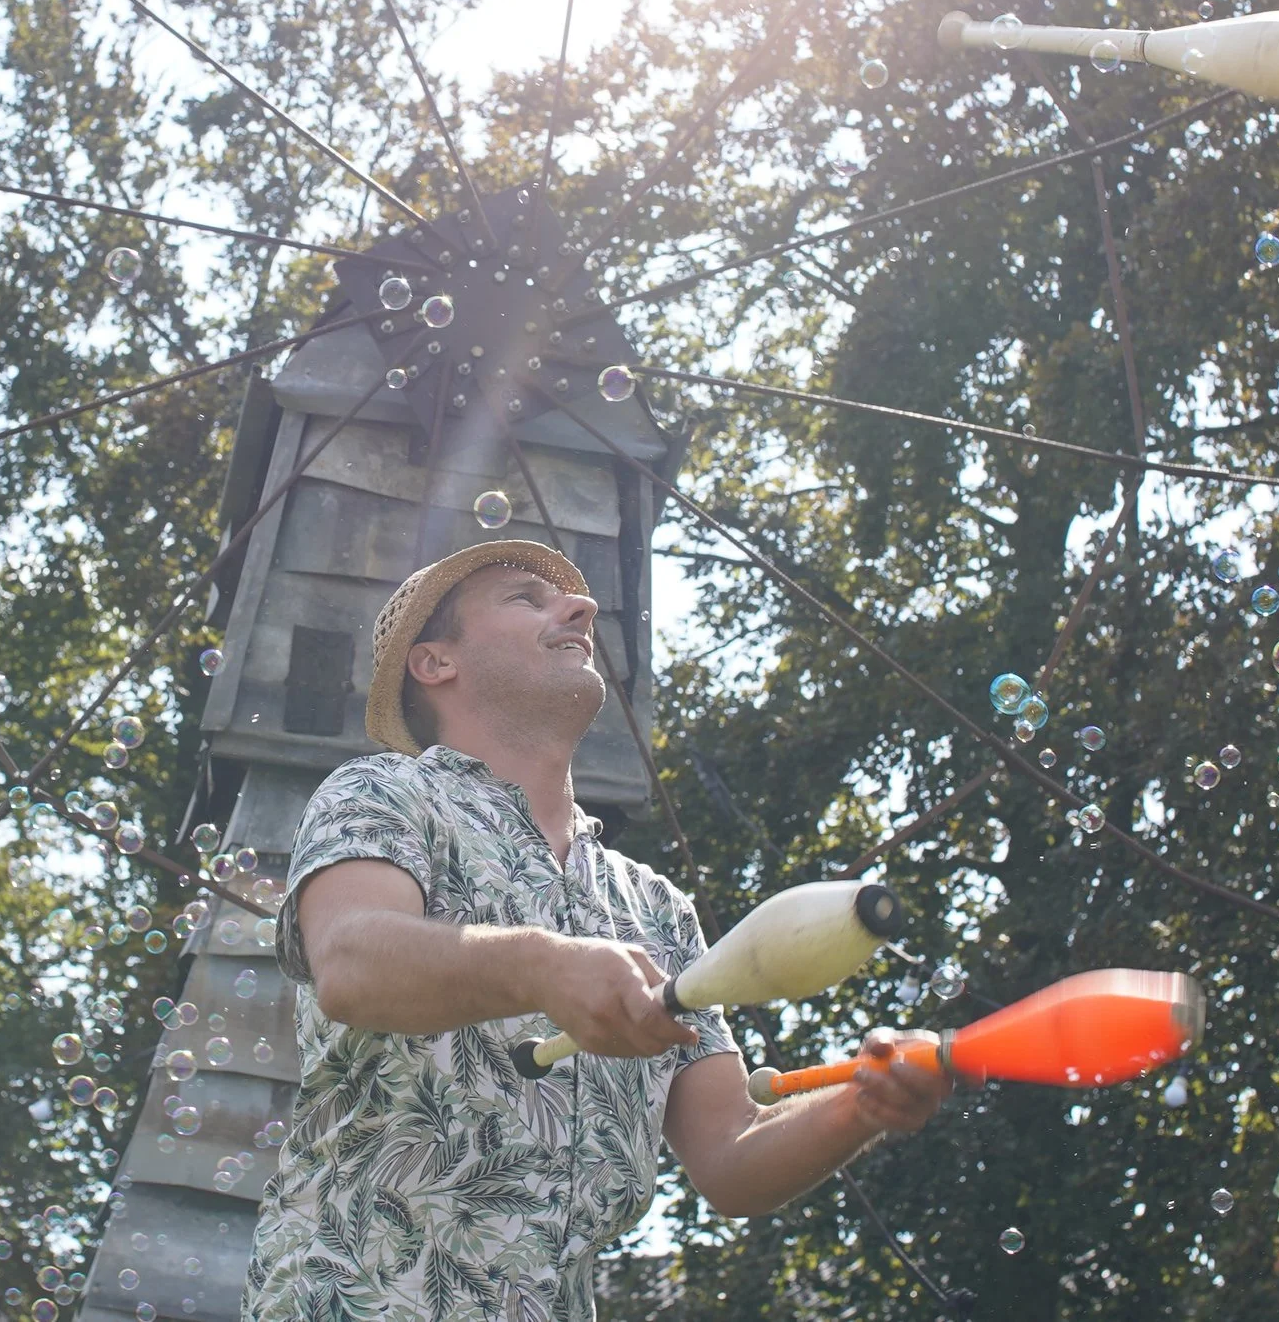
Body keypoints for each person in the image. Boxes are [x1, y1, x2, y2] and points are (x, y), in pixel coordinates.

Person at [242, 540, 956, 1322]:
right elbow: (349, 960)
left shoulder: (656, 908)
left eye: (572, 599)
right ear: (435, 661)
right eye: (526, 598)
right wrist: (542, 964)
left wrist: (863, 1103)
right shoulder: (385, 793)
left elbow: (730, 1154)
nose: (581, 608)